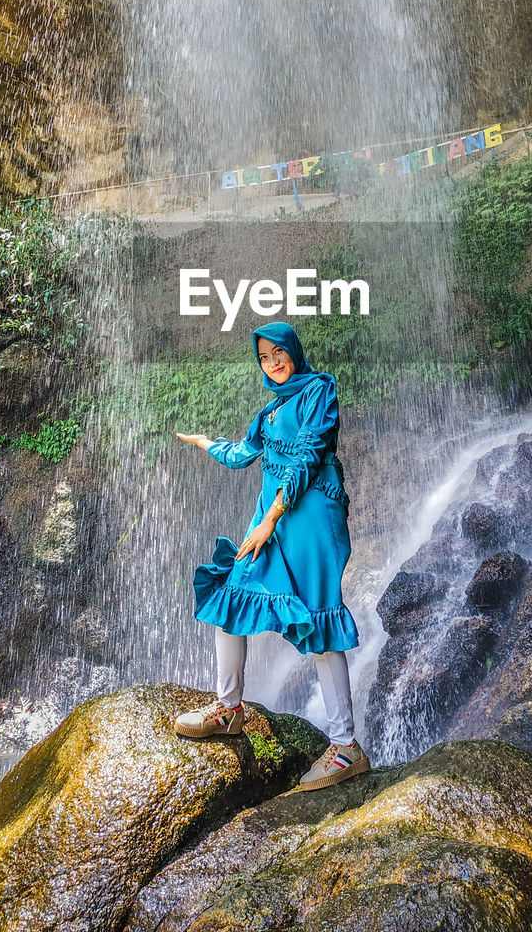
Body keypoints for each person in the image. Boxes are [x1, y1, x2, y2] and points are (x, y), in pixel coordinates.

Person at [174, 321, 370, 791]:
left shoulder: (319, 389)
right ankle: (228, 709)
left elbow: (308, 455)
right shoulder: (269, 410)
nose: (273, 362)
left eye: (278, 352)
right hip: (272, 516)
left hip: (309, 516)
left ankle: (345, 748)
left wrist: (271, 518)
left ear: (293, 351)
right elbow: (244, 454)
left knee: (318, 622)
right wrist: (207, 444)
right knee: (233, 595)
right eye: (263, 357)